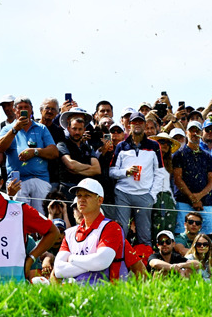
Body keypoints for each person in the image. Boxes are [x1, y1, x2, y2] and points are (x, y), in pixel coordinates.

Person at [54, 178, 127, 283]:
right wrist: (92, 264)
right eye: (79, 196)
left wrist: (72, 259)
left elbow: (101, 262)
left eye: (87, 195)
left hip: (104, 293)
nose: (81, 199)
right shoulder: (70, 233)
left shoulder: (111, 227)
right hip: (74, 293)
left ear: (100, 200)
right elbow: (59, 270)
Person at [0, 98, 59, 215]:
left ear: (31, 110)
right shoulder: (7, 129)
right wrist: (15, 129)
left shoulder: (41, 128)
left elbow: (54, 152)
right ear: (15, 110)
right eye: (20, 107)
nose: (23, 110)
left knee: (42, 218)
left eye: (26, 107)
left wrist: (35, 152)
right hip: (17, 181)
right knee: (19, 217)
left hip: (40, 178)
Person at [109, 111, 159, 245]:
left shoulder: (154, 146)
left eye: (140, 122)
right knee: (121, 231)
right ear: (129, 125)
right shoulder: (121, 146)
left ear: (144, 125)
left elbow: (159, 173)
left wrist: (152, 196)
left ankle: (147, 264)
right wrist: (126, 172)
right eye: (134, 122)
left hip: (144, 195)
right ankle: (119, 263)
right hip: (123, 194)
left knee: (145, 235)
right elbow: (112, 171)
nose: (137, 125)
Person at [173, 120, 212, 236]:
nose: (194, 133)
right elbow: (177, 179)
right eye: (192, 131)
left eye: (197, 131)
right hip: (183, 202)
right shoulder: (178, 154)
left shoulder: (207, 156)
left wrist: (198, 197)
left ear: (201, 133)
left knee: (206, 237)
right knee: (182, 236)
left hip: (205, 203)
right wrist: (193, 198)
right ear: (187, 133)